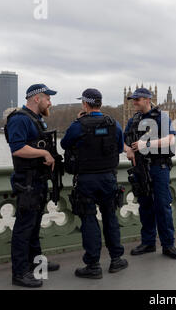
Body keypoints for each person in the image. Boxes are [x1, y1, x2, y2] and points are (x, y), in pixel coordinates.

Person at [61, 88, 128, 279]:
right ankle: (116, 260)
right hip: (108, 178)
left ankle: (93, 265)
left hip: (86, 179)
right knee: (110, 217)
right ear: (99, 103)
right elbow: (120, 146)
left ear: (85, 104)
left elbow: (65, 144)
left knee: (89, 220)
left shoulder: (78, 125)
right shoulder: (113, 124)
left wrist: (78, 121)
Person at [4, 83, 60, 288]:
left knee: (34, 225)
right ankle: (19, 273)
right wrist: (44, 153)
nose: (50, 102)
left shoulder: (36, 120)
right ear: (37, 98)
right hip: (27, 181)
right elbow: (17, 149)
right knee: (24, 227)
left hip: (38, 179)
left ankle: (36, 263)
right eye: (48, 98)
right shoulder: (20, 119)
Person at [124, 88, 176, 260]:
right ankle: (148, 242)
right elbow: (123, 141)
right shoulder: (133, 119)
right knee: (145, 206)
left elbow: (171, 139)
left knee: (163, 206)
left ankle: (168, 245)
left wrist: (146, 144)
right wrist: (128, 150)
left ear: (148, 100)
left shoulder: (161, 116)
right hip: (140, 167)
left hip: (159, 167)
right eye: (133, 100)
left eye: (137, 100)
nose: (134, 102)